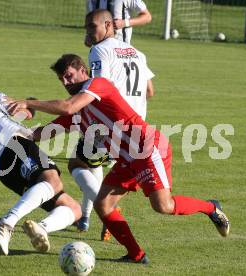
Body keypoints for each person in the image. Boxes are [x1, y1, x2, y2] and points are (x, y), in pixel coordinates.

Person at [8, 54, 230, 264]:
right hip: (126, 160)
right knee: (103, 205)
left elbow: (67, 107)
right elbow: (40, 135)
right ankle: (136, 255)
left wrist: (30, 103)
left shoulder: (97, 85)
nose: (66, 82)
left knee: (163, 205)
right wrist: (7, 128)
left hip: (146, 148)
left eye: (69, 75)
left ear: (82, 70)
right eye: (61, 79)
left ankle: (210, 207)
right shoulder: (77, 113)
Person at [0, 76, 81, 256]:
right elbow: (16, 107)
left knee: (74, 208)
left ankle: (42, 228)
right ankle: (7, 222)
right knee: (52, 181)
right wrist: (30, 106)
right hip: (15, 145)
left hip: (5, 174)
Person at [72, 9, 155, 236]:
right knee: (92, 164)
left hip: (113, 124)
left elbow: (100, 86)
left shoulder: (99, 51)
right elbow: (150, 90)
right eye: (87, 27)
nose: (88, 31)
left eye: (92, 27)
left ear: (108, 25)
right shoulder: (138, 53)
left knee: (77, 164)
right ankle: (86, 217)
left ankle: (103, 211)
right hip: (138, 127)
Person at [85, 0, 152, 45]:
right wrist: (88, 35)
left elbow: (147, 17)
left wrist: (125, 23)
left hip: (121, 49)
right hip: (99, 48)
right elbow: (91, 21)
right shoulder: (91, 1)